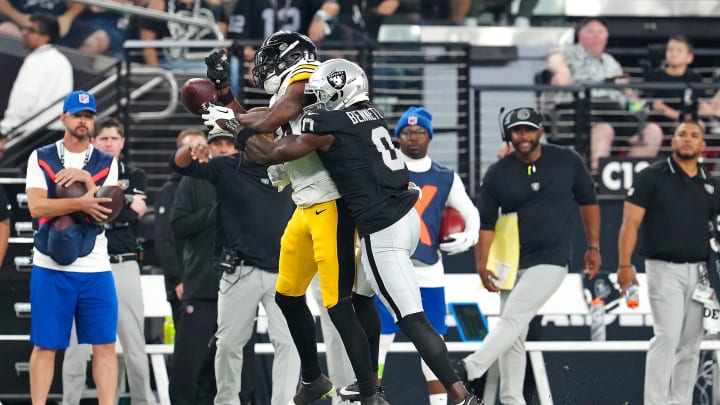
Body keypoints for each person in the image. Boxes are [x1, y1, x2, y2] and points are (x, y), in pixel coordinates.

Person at [207, 57, 480, 405]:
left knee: (410, 319)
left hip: (383, 227)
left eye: (323, 95)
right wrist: (230, 104)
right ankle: (371, 386)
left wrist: (234, 127)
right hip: (403, 216)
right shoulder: (372, 112)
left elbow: (270, 150)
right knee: (363, 298)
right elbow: (274, 115)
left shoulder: (326, 121)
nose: (317, 101)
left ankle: (458, 396)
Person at [205, 32, 384, 405]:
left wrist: (232, 123)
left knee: (339, 305)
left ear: (291, 56)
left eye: (270, 57)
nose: (263, 65)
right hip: (306, 205)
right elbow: (254, 118)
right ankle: (312, 378)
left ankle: (370, 392)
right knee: (288, 296)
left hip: (332, 203)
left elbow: (268, 122)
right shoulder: (286, 90)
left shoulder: (307, 76)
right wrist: (223, 93)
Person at [455, 107, 601, 405]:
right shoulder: (498, 172)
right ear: (508, 135)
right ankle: (512, 399)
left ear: (540, 132)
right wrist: (481, 265)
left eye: (529, 129)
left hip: (551, 260)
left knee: (512, 319)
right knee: (515, 334)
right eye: (517, 131)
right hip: (510, 263)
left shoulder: (566, 160)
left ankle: (468, 368)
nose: (523, 136)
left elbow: (589, 201)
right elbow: (485, 223)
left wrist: (594, 246)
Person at [171, 130, 301, 405]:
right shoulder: (228, 165)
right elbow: (180, 164)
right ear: (245, 141)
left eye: (269, 135)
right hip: (240, 271)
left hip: (284, 271)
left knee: (289, 342)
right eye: (258, 136)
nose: (264, 141)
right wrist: (192, 148)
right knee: (229, 344)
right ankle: (226, 401)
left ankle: (284, 403)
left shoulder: (290, 167)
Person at [371, 106, 480, 405]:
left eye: (419, 132)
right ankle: (371, 400)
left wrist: (469, 237)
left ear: (429, 136)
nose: (413, 138)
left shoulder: (445, 176)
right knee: (379, 341)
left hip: (429, 269)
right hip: (390, 265)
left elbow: (470, 212)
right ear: (398, 137)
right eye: (407, 132)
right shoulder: (386, 170)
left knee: (435, 344)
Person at [25, 90, 119, 405]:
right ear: (63, 117)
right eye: (77, 115)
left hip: (95, 266)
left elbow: (109, 211)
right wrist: (81, 201)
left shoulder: (108, 161)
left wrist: (87, 182)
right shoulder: (40, 156)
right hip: (51, 266)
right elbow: (36, 208)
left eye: (88, 115)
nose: (83, 120)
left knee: (105, 345)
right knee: (45, 345)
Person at [616, 119, 715, 405]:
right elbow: (629, 224)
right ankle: (656, 402)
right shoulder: (652, 177)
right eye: (682, 134)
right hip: (664, 268)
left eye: (694, 135)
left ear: (702, 145)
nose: (687, 139)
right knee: (667, 337)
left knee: (691, 344)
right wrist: (624, 265)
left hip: (702, 273)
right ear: (672, 141)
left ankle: (680, 402)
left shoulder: (711, 184)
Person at [61, 117, 153, 405]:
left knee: (134, 342)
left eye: (114, 138)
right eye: (104, 138)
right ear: (93, 142)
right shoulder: (78, 174)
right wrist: (120, 203)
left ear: (122, 143)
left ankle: (142, 401)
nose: (109, 143)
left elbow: (132, 212)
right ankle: (70, 401)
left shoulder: (134, 174)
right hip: (86, 263)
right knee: (76, 345)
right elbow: (84, 213)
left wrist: (97, 206)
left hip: (122, 263)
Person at [169, 129, 238, 405]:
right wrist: (214, 212)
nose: (222, 149)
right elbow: (178, 225)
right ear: (208, 148)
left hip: (238, 286)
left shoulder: (247, 178)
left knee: (233, 367)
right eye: (217, 143)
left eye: (228, 144)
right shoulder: (193, 179)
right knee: (188, 366)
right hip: (201, 285)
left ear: (237, 148)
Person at [547, 17, 664, 172]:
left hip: (615, 111)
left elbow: (627, 92)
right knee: (604, 130)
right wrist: (562, 70)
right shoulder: (570, 52)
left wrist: (636, 106)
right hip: (582, 110)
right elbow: (554, 58)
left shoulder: (611, 62)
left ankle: (631, 182)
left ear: (606, 37)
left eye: (600, 32)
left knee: (652, 132)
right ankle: (597, 181)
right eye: (590, 31)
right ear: (580, 35)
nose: (596, 36)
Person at [155, 128, 208, 325]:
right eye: (189, 147)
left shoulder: (215, 183)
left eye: (200, 146)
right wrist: (177, 279)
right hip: (183, 284)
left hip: (211, 282)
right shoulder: (169, 191)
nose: (195, 152)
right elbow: (163, 238)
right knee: (188, 347)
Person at [0, 12, 72, 148]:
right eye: (24, 29)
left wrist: (5, 131)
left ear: (46, 37)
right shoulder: (63, 61)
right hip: (56, 133)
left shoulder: (36, 60)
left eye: (31, 30)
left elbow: (25, 97)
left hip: (32, 134)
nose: (24, 33)